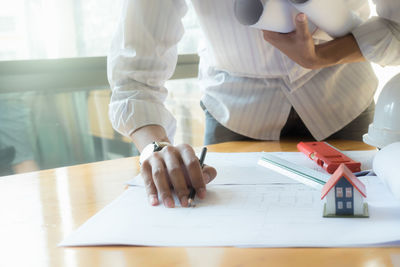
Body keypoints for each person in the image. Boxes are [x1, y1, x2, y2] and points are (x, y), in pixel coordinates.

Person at [107, 0, 400, 208]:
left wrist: (322, 56)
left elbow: (396, 27)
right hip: (234, 113)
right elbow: (134, 76)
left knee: (362, 217)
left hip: (343, 101)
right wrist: (154, 147)